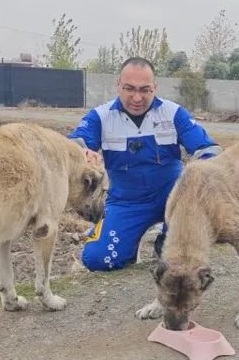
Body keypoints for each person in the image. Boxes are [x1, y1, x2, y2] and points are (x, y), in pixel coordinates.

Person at [68, 57, 222, 271]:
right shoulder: (100, 117)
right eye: (129, 89)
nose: (137, 97)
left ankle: (165, 242)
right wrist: (80, 153)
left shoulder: (173, 113)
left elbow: (208, 150)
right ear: (118, 85)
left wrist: (203, 172)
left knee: (177, 259)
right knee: (98, 259)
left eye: (145, 90)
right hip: (126, 203)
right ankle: (120, 241)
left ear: (154, 88)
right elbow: (74, 145)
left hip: (173, 199)